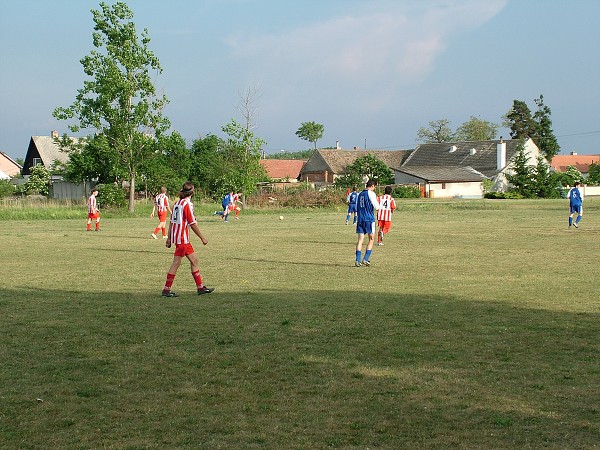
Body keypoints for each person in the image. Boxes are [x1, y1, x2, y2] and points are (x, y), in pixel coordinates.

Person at [162, 181, 214, 297]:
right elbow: (192, 223)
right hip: (182, 239)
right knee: (176, 263)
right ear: (192, 192)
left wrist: (169, 238)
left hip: (179, 238)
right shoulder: (186, 205)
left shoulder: (177, 203)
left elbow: (171, 222)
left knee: (194, 261)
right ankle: (166, 290)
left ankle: (200, 287)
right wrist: (202, 238)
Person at [355, 179, 380, 267]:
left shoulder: (360, 194)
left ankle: (357, 260)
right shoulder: (371, 193)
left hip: (360, 219)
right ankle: (365, 259)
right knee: (371, 239)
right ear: (372, 186)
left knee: (360, 240)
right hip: (369, 219)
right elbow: (377, 207)